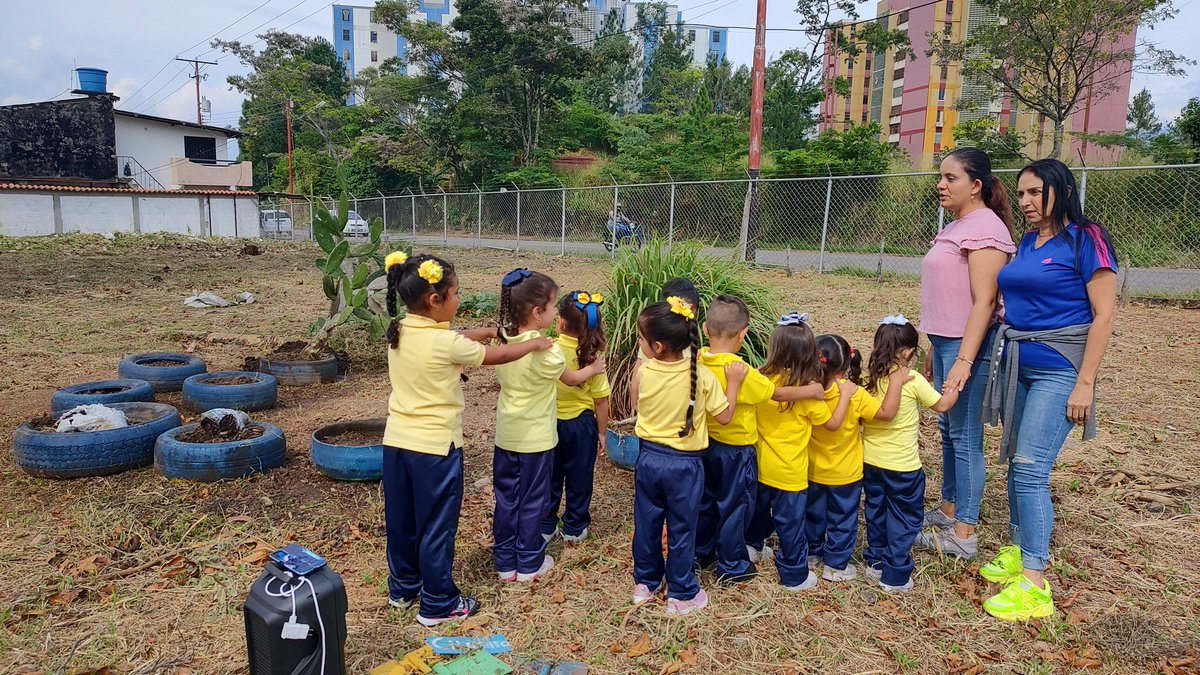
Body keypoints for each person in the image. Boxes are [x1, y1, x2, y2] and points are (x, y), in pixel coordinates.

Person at [381, 252, 553, 627]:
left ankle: (404, 587)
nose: (460, 300)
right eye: (456, 294)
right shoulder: (446, 345)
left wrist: (488, 330)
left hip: (396, 445)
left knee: (402, 519)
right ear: (435, 299)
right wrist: (532, 345)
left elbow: (461, 340)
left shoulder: (402, 330)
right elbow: (498, 355)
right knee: (436, 527)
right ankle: (439, 602)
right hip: (435, 451)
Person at [979, 158, 1117, 621]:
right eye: (1021, 194)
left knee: (1030, 467)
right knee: (1016, 460)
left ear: (1061, 191)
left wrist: (1085, 383)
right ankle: (1021, 550)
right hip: (1018, 364)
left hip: (1060, 369)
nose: (1026, 202)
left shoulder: (1087, 238)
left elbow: (1105, 315)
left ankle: (1035, 586)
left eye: (1036, 193)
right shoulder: (1028, 242)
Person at [916, 147, 1016, 560]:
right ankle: (949, 508)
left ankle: (964, 532)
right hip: (944, 343)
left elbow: (984, 303)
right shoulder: (960, 225)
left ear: (976, 186)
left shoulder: (986, 230)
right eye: (940, 177)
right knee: (947, 431)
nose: (941, 184)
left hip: (966, 346)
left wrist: (963, 361)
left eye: (951, 178)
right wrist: (932, 348)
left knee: (966, 436)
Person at [629, 296, 747, 615]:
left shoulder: (646, 371)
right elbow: (724, 417)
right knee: (682, 528)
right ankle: (681, 593)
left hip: (648, 459)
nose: (638, 344)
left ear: (656, 347)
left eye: (641, 339)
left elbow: (635, 404)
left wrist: (640, 365)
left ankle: (646, 582)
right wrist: (733, 384)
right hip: (685, 466)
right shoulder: (703, 376)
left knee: (647, 522)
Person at [695, 300, 824, 583]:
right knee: (734, 509)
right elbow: (776, 394)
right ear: (743, 334)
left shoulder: (699, 361)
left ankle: (701, 553)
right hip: (737, 453)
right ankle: (732, 566)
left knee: (706, 503)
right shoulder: (741, 372)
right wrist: (812, 391)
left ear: (705, 329)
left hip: (705, 446)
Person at [745, 314, 854, 592]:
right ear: (810, 355)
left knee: (758, 513)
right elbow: (831, 424)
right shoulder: (808, 393)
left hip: (759, 466)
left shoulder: (761, 379)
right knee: (791, 524)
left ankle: (751, 547)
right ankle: (794, 574)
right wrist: (844, 397)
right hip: (791, 473)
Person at [860, 315, 959, 593]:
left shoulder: (872, 377)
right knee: (904, 518)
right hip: (903, 467)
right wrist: (954, 388)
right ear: (907, 352)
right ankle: (896, 574)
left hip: (871, 462)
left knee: (876, 510)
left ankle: (875, 561)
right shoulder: (910, 379)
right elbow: (941, 405)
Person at [805, 334, 904, 582]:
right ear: (846, 366)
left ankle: (811, 553)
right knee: (842, 519)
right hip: (845, 473)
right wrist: (896, 382)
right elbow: (885, 413)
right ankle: (836, 565)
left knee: (813, 514)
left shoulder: (807, 390)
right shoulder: (854, 394)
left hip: (812, 469)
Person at [492, 268, 567, 583]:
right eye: (553, 306)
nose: (555, 312)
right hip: (536, 439)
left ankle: (505, 561)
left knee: (507, 497)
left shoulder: (505, 342)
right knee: (535, 498)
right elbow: (559, 365)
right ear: (538, 313)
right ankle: (530, 561)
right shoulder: (546, 351)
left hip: (507, 434)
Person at [542, 290, 611, 544]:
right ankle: (574, 526)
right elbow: (601, 400)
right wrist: (602, 432)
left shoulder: (548, 350)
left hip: (549, 423)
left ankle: (546, 523)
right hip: (582, 427)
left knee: (550, 475)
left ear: (560, 322)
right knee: (580, 477)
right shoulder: (592, 359)